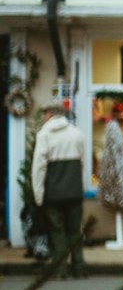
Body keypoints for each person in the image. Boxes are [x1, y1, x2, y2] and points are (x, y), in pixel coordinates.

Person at [32, 100, 87, 278]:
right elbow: (82, 163)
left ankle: (61, 269)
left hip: (53, 192)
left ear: (49, 115)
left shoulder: (44, 135)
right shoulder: (76, 133)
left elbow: (39, 167)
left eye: (44, 114)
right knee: (74, 231)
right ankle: (79, 267)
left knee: (57, 232)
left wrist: (38, 194)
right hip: (74, 190)